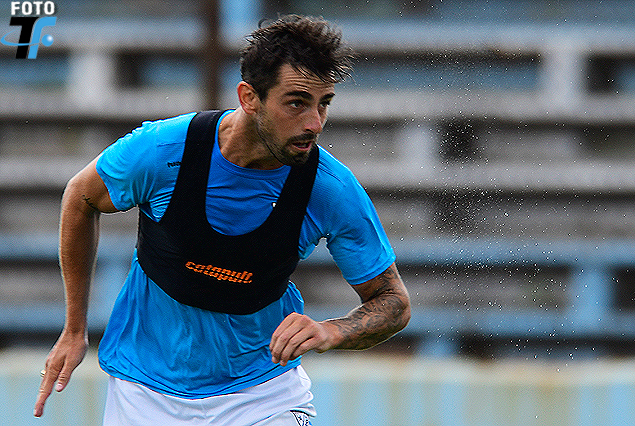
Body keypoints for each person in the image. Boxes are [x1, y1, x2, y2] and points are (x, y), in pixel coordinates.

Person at [34, 14, 410, 425]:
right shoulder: (163, 151)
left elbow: (393, 303)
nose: (314, 123)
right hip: (143, 390)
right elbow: (80, 197)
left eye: (324, 104)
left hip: (263, 395)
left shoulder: (329, 188)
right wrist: (74, 329)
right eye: (297, 103)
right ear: (249, 97)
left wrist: (332, 331)